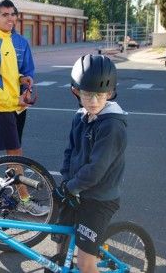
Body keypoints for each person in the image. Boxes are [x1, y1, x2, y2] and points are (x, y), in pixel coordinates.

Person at [51, 54, 127, 273]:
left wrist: (71, 187)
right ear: (75, 91)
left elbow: (96, 170)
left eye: (102, 94)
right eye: (87, 94)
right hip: (75, 190)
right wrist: (66, 181)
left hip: (99, 199)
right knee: (60, 240)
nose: (94, 101)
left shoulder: (112, 126)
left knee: (85, 264)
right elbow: (70, 151)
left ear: (111, 93)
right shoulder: (80, 116)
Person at [0, 0, 47, 216]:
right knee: (15, 154)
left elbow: (4, 73)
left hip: (5, 106)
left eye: (12, 14)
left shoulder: (6, 38)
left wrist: (20, 78)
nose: (10, 18)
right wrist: (12, 101)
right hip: (1, 108)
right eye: (5, 14)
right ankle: (25, 199)